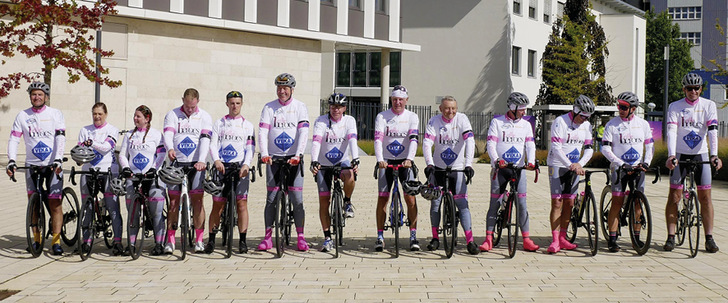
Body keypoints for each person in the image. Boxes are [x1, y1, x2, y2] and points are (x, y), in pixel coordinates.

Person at [664, 73, 723, 253]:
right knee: (674, 196)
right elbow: (672, 132)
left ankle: (709, 238)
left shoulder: (709, 105)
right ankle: (671, 236)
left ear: (701, 89)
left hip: (700, 155)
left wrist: (714, 155)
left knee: (705, 198)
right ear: (684, 89)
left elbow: (712, 131)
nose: (693, 91)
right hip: (681, 155)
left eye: (696, 88)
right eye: (689, 88)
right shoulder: (675, 106)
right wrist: (671, 155)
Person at [6, 82, 66, 255]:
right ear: (30, 96)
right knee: (33, 204)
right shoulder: (22, 116)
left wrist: (58, 159)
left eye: (40, 94)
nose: (37, 97)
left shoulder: (55, 114)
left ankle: (56, 241)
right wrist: (11, 160)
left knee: (55, 202)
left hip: (52, 164)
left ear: (46, 96)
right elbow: (14, 139)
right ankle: (37, 239)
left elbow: (60, 138)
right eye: (34, 94)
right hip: (32, 165)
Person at [257, 73, 310, 252]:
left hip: (294, 158)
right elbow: (263, 132)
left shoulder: (300, 107)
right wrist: (264, 153)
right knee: (271, 198)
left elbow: (303, 132)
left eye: (285, 88)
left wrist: (299, 154)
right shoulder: (269, 107)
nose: (282, 91)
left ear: (291, 90)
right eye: (279, 88)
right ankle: (267, 237)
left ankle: (301, 237)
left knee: (296, 198)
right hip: (273, 158)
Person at [481, 92, 539, 252]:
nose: (524, 112)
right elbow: (491, 144)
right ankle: (488, 238)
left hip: (518, 170)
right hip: (501, 169)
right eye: (521, 109)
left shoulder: (526, 125)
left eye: (524, 109)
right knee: (495, 203)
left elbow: (530, 145)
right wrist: (496, 160)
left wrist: (532, 161)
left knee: (522, 204)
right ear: (512, 108)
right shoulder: (497, 122)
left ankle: (526, 239)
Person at [422, 96, 479, 255]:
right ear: (441, 109)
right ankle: (435, 238)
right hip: (438, 168)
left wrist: (468, 164)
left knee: (463, 205)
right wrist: (429, 164)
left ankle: (470, 241)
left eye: (453, 108)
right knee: (435, 204)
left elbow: (470, 141)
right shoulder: (434, 121)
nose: (451, 112)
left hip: (458, 168)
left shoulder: (462, 119)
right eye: (447, 108)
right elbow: (427, 143)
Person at [601, 92, 654, 252]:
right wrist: (621, 163)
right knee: (617, 202)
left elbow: (649, 146)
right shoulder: (612, 124)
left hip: (638, 167)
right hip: (619, 168)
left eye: (623, 107)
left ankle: (636, 238)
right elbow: (605, 148)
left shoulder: (642, 124)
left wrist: (646, 162)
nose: (620, 109)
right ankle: (612, 238)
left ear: (633, 109)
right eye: (619, 106)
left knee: (638, 202)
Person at [204, 91, 256, 254]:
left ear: (242, 104)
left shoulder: (248, 125)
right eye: (232, 103)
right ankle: (211, 240)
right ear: (227, 104)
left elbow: (250, 147)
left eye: (238, 103)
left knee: (241, 204)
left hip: (239, 167)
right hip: (222, 167)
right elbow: (213, 144)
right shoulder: (219, 123)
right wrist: (217, 160)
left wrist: (246, 164)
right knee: (218, 205)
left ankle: (242, 240)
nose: (235, 106)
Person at [163, 88, 213, 254]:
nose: (189, 110)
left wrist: (201, 160)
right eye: (187, 106)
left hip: (195, 164)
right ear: (182, 100)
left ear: (197, 101)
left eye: (192, 107)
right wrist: (170, 148)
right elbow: (168, 134)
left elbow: (205, 139)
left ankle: (199, 239)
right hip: (177, 162)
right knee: (173, 202)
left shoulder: (205, 116)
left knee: (198, 200)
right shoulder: (173, 114)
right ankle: (170, 240)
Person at [310, 93, 359, 252]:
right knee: (324, 202)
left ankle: (347, 201)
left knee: (350, 175)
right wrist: (314, 160)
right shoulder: (321, 121)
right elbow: (316, 141)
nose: (335, 109)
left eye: (339, 107)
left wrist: (355, 159)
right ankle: (327, 238)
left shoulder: (349, 120)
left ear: (344, 108)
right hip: (324, 163)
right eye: (333, 106)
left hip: (342, 161)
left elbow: (352, 140)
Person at [374, 85, 421, 251]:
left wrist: (410, 159)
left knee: (411, 199)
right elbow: (378, 140)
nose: (397, 102)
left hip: (405, 161)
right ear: (391, 100)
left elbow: (414, 140)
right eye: (394, 99)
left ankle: (413, 235)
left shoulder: (412, 117)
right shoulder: (382, 116)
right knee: (382, 198)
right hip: (386, 161)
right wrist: (380, 160)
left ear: (406, 100)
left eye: (401, 99)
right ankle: (380, 236)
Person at [546, 94, 595, 254]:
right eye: (582, 116)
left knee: (569, 203)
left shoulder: (587, 126)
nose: (584, 119)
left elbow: (589, 148)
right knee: (557, 203)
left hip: (574, 167)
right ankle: (554, 240)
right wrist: (570, 165)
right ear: (575, 110)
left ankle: (563, 237)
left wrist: (580, 164)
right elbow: (556, 147)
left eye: (588, 117)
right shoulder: (560, 122)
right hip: (557, 165)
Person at [118, 105, 167, 255]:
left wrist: (154, 168)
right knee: (133, 214)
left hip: (151, 177)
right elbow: (122, 155)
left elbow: (161, 154)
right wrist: (126, 167)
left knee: (156, 212)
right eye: (134, 116)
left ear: (147, 119)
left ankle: (159, 243)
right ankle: (131, 244)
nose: (135, 118)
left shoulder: (156, 134)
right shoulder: (129, 136)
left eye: (138, 116)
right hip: (133, 177)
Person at [77, 103, 124, 255]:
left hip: (108, 172)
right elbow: (80, 150)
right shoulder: (85, 130)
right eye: (94, 114)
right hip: (88, 172)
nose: (97, 116)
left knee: (113, 208)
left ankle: (117, 242)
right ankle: (86, 241)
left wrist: (91, 143)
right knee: (87, 207)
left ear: (105, 114)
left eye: (100, 114)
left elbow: (106, 147)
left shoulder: (112, 129)